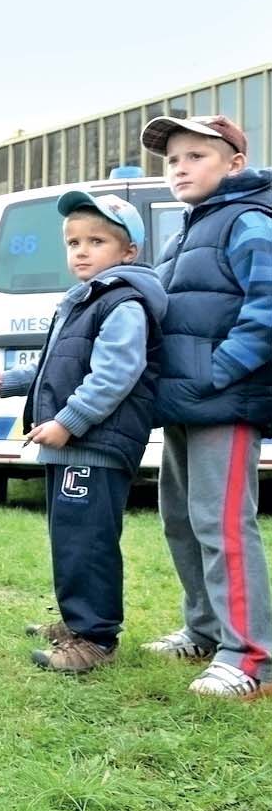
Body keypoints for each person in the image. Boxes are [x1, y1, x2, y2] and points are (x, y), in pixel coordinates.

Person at [0, 193, 166, 674]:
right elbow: (54, 368)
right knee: (68, 535)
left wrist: (69, 423)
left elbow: (114, 375)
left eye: (96, 241)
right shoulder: (85, 301)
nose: (81, 251)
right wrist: (3, 382)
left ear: (128, 252)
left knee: (86, 540)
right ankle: (77, 621)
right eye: (73, 242)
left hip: (96, 444)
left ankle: (94, 637)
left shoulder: (122, 303)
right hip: (79, 446)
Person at [136, 114, 272, 699]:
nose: (181, 168)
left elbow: (267, 307)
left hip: (225, 402)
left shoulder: (248, 221)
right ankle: (205, 629)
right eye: (173, 160)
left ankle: (251, 658)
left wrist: (218, 373)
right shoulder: (188, 230)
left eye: (196, 156)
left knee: (224, 526)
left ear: (234, 163)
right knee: (182, 520)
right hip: (185, 405)